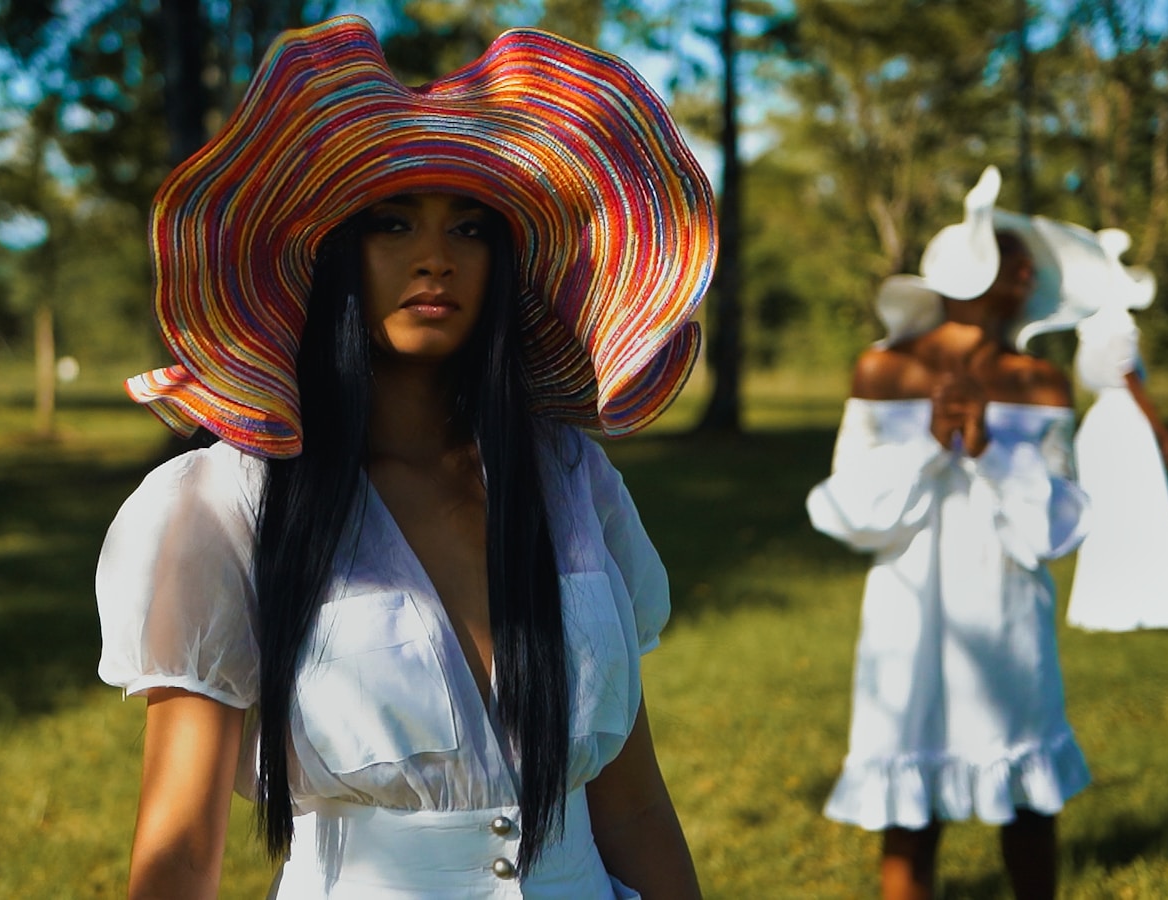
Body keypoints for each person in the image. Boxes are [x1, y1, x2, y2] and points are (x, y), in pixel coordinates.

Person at [95, 16, 716, 899]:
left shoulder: (569, 480)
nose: (435, 258)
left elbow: (632, 809)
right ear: (331, 256)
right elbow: (181, 848)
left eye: (470, 230)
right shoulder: (225, 502)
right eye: (392, 224)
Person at [807, 167, 1108, 900]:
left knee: (1031, 799)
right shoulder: (882, 369)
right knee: (911, 808)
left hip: (1007, 608)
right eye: (1013, 254)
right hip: (910, 609)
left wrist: (985, 450)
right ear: (966, 269)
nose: (1030, 268)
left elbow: (1056, 526)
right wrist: (927, 444)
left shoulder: (1040, 381)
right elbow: (849, 509)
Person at [1066, 238, 1168, 631]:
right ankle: (1152, 599)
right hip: (1125, 423)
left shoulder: (1089, 329)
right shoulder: (1118, 327)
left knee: (1114, 510)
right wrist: (1162, 431)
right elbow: (1131, 381)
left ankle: (1114, 597)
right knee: (1139, 507)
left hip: (1098, 424)